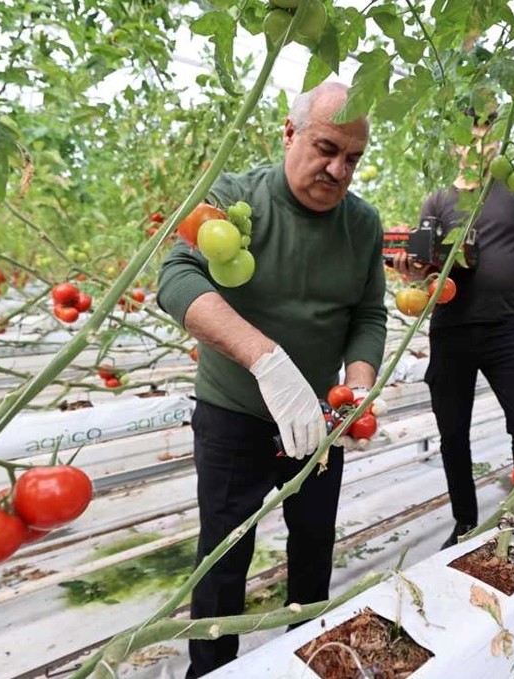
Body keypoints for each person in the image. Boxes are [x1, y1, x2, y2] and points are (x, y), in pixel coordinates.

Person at [156, 81, 387, 678]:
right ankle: (208, 671)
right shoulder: (234, 202)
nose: (338, 170)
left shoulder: (362, 226)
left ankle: (308, 660)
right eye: (326, 148)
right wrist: (264, 359)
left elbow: (368, 314)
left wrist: (357, 386)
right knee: (224, 555)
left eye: (353, 159)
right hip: (232, 412)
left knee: (313, 547)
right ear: (289, 134)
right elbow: (176, 279)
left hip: (317, 421)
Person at [395, 116, 514, 549]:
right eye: (468, 139)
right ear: (455, 146)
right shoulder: (438, 200)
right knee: (453, 431)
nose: (477, 146)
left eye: (486, 138)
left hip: (506, 328)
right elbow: (425, 268)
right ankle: (464, 523)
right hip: (450, 330)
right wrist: (411, 270)